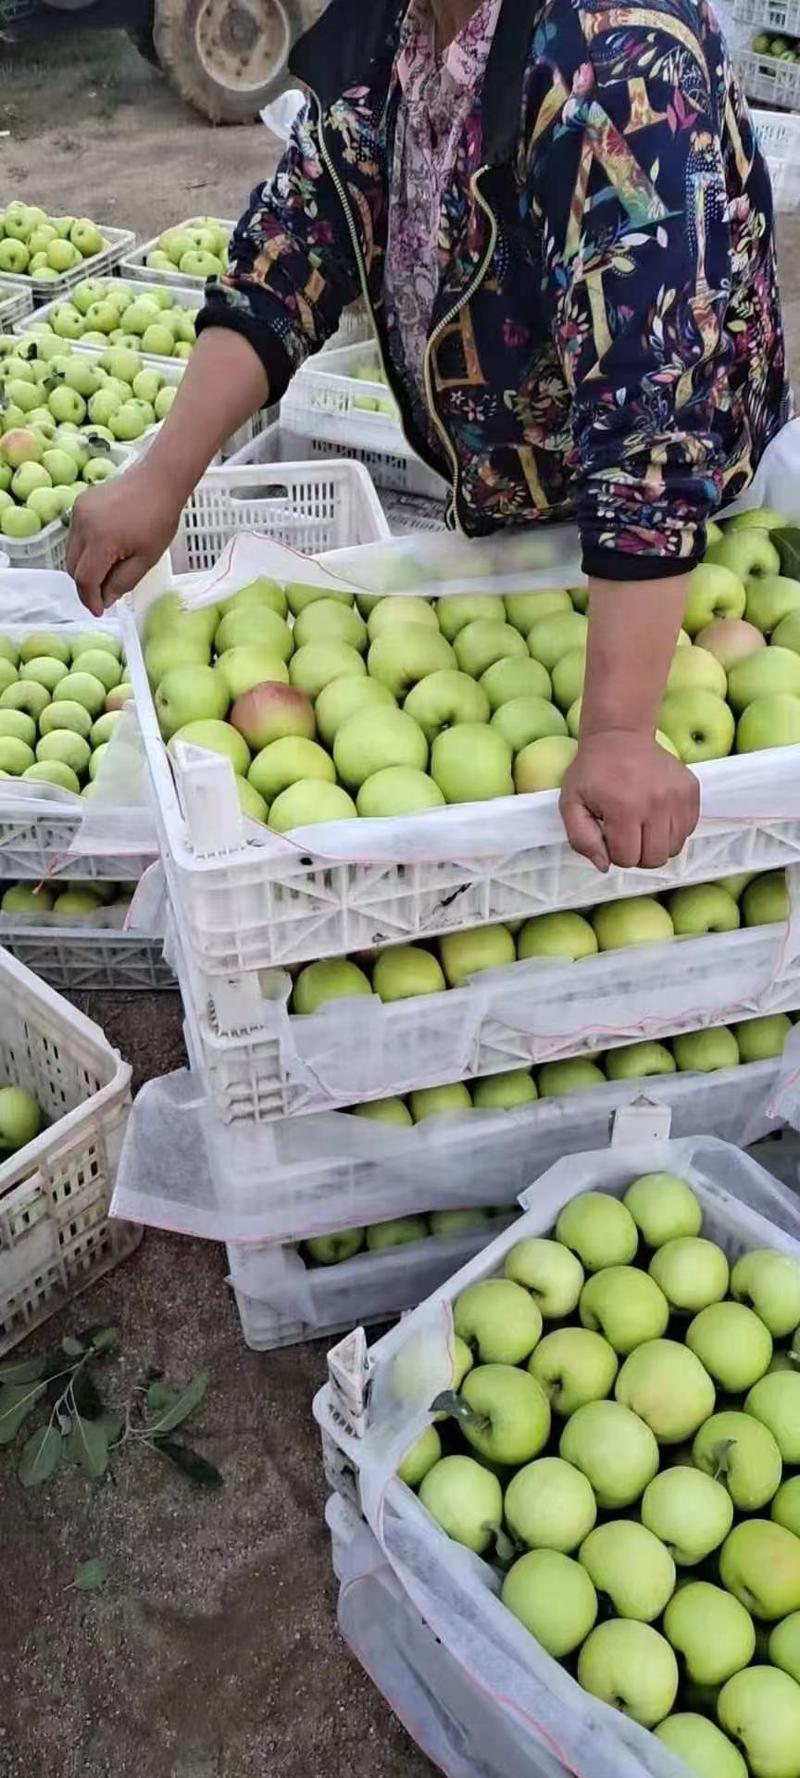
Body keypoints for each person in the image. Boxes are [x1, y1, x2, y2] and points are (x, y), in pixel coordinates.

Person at [67, 0, 789, 873]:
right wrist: (161, 479)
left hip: (664, 550)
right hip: (538, 544)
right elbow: (301, 238)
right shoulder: (400, 27)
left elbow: (654, 396)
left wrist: (620, 731)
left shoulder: (615, 57)